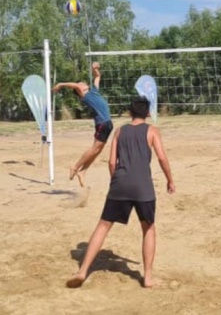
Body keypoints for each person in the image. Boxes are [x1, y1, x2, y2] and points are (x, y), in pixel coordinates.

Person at [66, 97, 175, 289]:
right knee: (148, 228)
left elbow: (111, 162)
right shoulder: (152, 131)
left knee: (103, 226)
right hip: (143, 187)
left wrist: (116, 181)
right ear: (148, 113)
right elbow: (162, 157)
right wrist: (170, 180)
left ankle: (82, 271)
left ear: (129, 112)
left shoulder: (119, 131)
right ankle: (147, 277)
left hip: (120, 184)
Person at [52, 62, 113, 187]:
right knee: (94, 149)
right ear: (79, 90)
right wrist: (61, 84)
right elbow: (75, 86)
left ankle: (83, 171)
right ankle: (75, 167)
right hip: (102, 123)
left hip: (107, 123)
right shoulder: (84, 95)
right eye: (81, 84)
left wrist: (94, 68)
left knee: (97, 151)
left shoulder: (94, 91)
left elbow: (97, 77)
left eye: (84, 82)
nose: (84, 84)